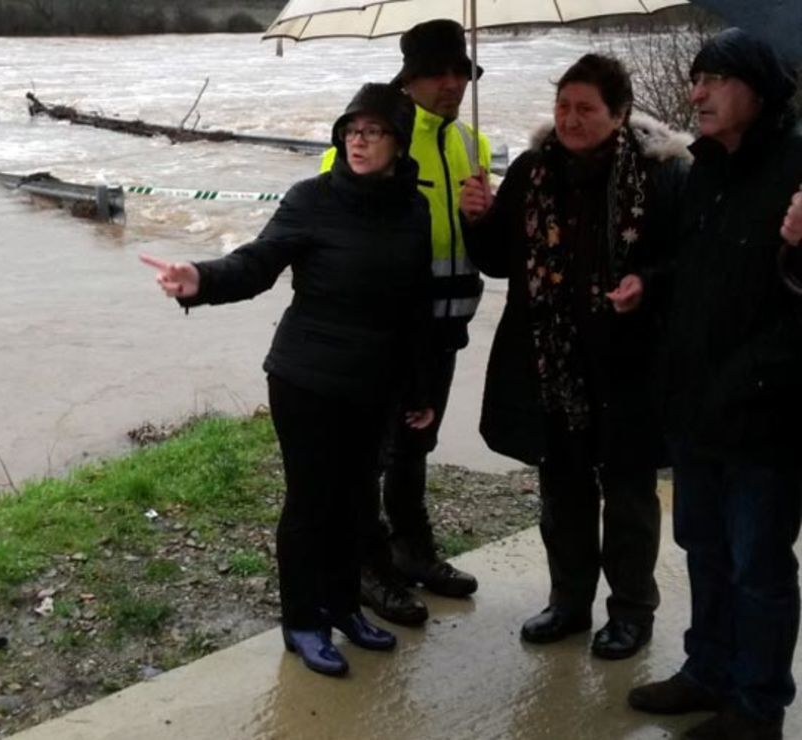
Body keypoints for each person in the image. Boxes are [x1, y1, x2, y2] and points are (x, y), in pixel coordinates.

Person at [141, 83, 436, 678]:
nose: (358, 140)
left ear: (399, 143)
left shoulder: (415, 207)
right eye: (352, 129)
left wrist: (420, 387)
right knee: (312, 502)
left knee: (357, 502)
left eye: (373, 131)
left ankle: (346, 609)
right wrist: (200, 278)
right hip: (308, 379)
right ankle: (304, 621)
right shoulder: (312, 199)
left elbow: (415, 304)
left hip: (373, 384)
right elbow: (257, 262)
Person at [459, 54, 689, 659]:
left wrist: (647, 283)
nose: (570, 118)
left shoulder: (662, 175)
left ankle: (632, 611)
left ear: (619, 113)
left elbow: (687, 260)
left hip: (630, 363)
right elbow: (497, 262)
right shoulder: (532, 170)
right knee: (561, 489)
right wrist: (477, 220)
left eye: (586, 108)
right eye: (563, 105)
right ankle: (568, 603)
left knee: (630, 493)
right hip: (548, 361)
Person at [627, 29, 802, 740]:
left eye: (713, 80)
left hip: (767, 413)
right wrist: (649, 282)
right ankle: (707, 672)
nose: (695, 93)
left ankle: (758, 705)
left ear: (756, 91)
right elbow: (692, 272)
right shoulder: (703, 168)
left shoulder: (798, 173)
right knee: (703, 548)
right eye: (694, 78)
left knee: (758, 564)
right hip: (695, 407)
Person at [322, 19, 492, 627]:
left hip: (445, 330)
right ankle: (369, 567)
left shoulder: (471, 143)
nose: (453, 84)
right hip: (384, 334)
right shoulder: (378, 136)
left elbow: (485, 247)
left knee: (417, 442)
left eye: (461, 72)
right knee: (371, 450)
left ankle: (413, 551)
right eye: (439, 73)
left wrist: (486, 218)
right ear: (411, 78)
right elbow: (333, 229)